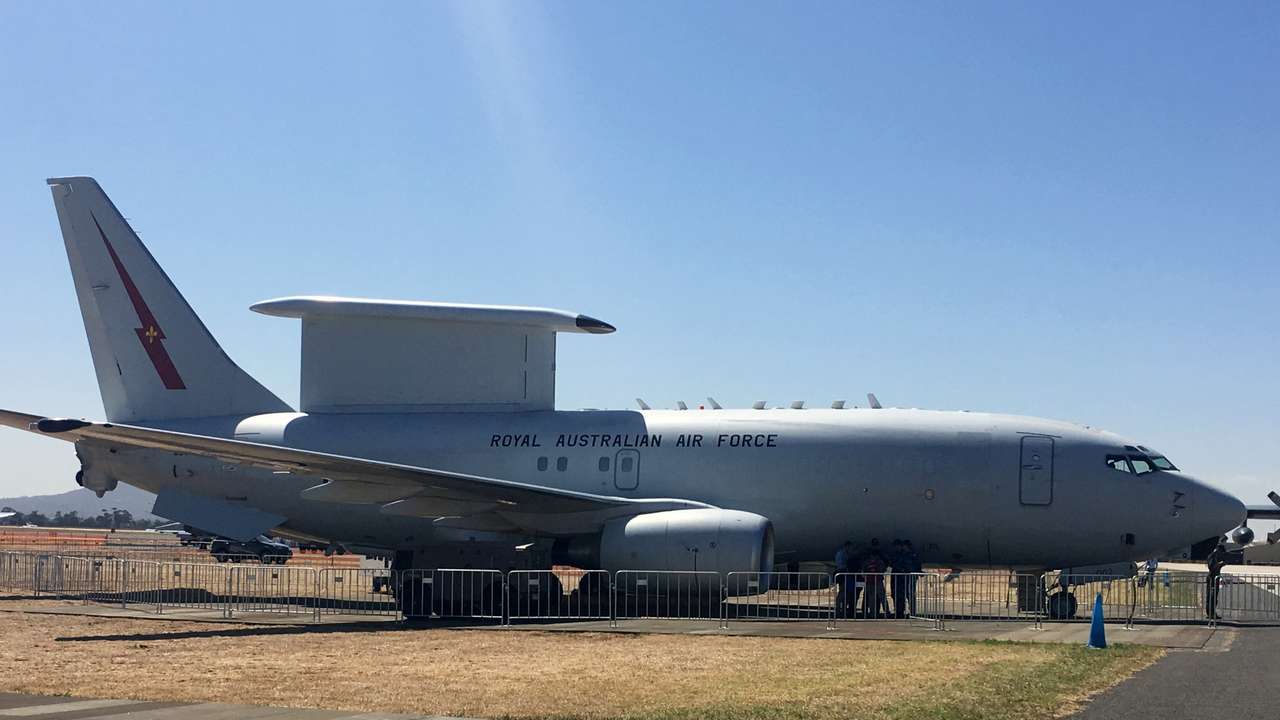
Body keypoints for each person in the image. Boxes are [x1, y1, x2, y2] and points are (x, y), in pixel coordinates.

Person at [860, 539, 887, 618]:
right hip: (875, 580)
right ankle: (878, 612)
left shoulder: (868, 557)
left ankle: (872, 613)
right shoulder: (880, 556)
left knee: (873, 597)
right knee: (880, 597)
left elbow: (863, 568)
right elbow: (884, 567)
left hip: (872, 580)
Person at [1206, 540, 1228, 620]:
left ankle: (1212, 613)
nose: (1221, 554)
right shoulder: (1212, 556)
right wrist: (1220, 564)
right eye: (1221, 552)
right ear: (1218, 550)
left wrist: (1221, 565)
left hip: (1215, 578)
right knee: (1211, 597)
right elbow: (1211, 567)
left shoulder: (1215, 556)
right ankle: (1210, 614)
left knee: (1214, 597)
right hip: (1212, 578)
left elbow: (1215, 568)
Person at [900, 540, 923, 616]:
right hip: (905, 575)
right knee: (906, 593)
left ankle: (912, 611)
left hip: (911, 575)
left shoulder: (912, 555)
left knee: (910, 593)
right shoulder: (905, 554)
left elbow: (917, 564)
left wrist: (918, 571)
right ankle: (907, 610)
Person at [834, 540, 853, 618]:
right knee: (842, 592)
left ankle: (842, 610)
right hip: (842, 573)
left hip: (843, 573)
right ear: (847, 546)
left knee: (845, 593)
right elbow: (841, 564)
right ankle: (838, 610)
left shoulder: (843, 553)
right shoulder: (842, 554)